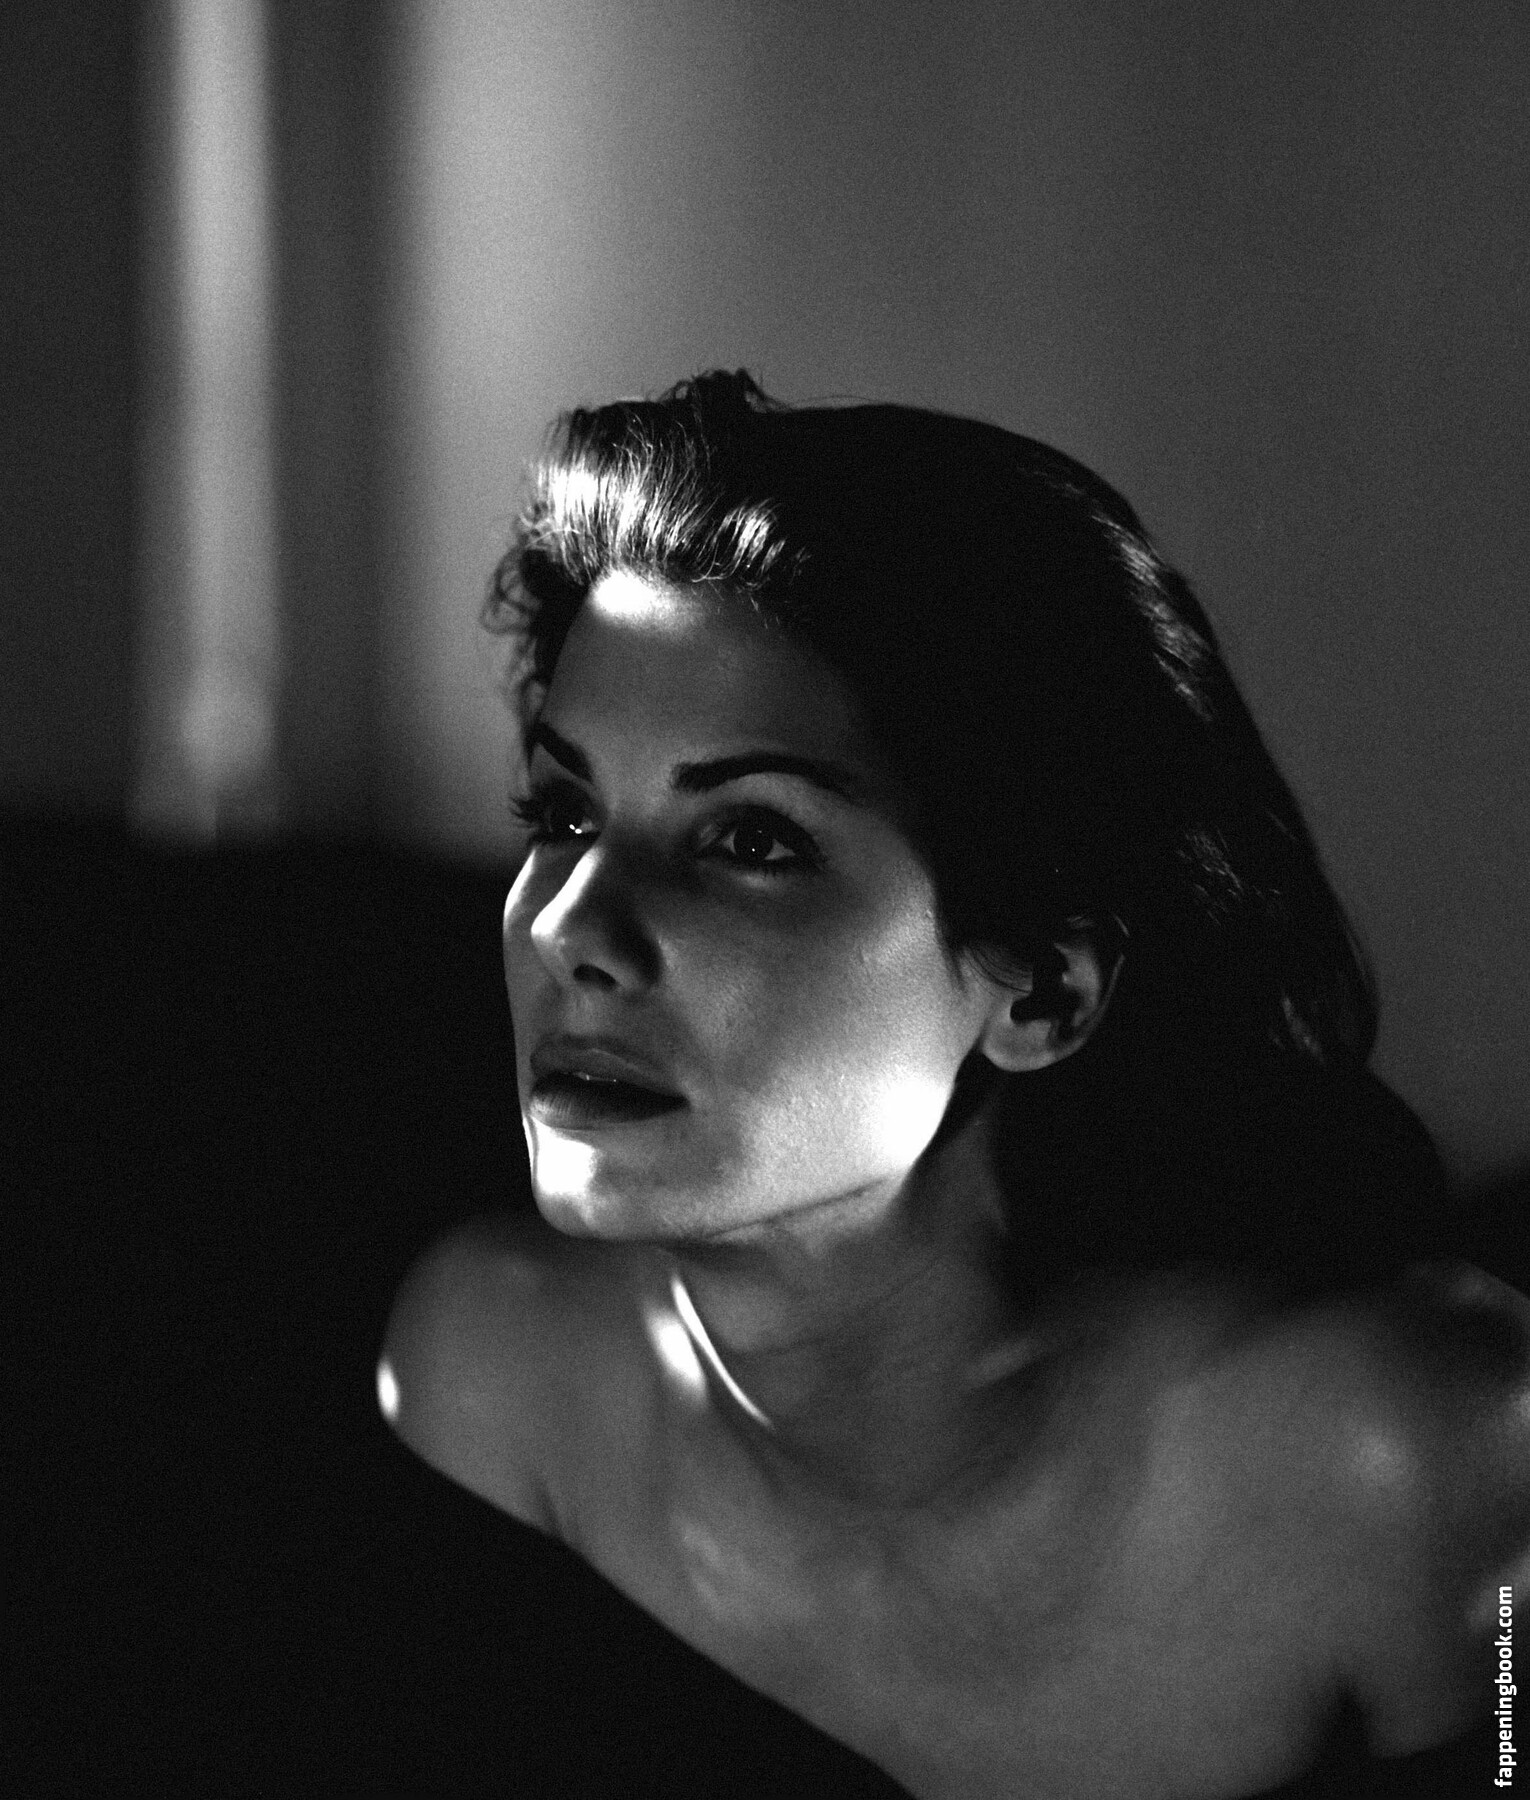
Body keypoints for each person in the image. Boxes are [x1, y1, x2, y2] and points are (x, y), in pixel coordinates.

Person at [380, 371, 1528, 1797]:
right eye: (562, 811)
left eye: (750, 840)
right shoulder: (494, 1383)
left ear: (1039, 991)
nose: (571, 930)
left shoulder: (1410, 1450)